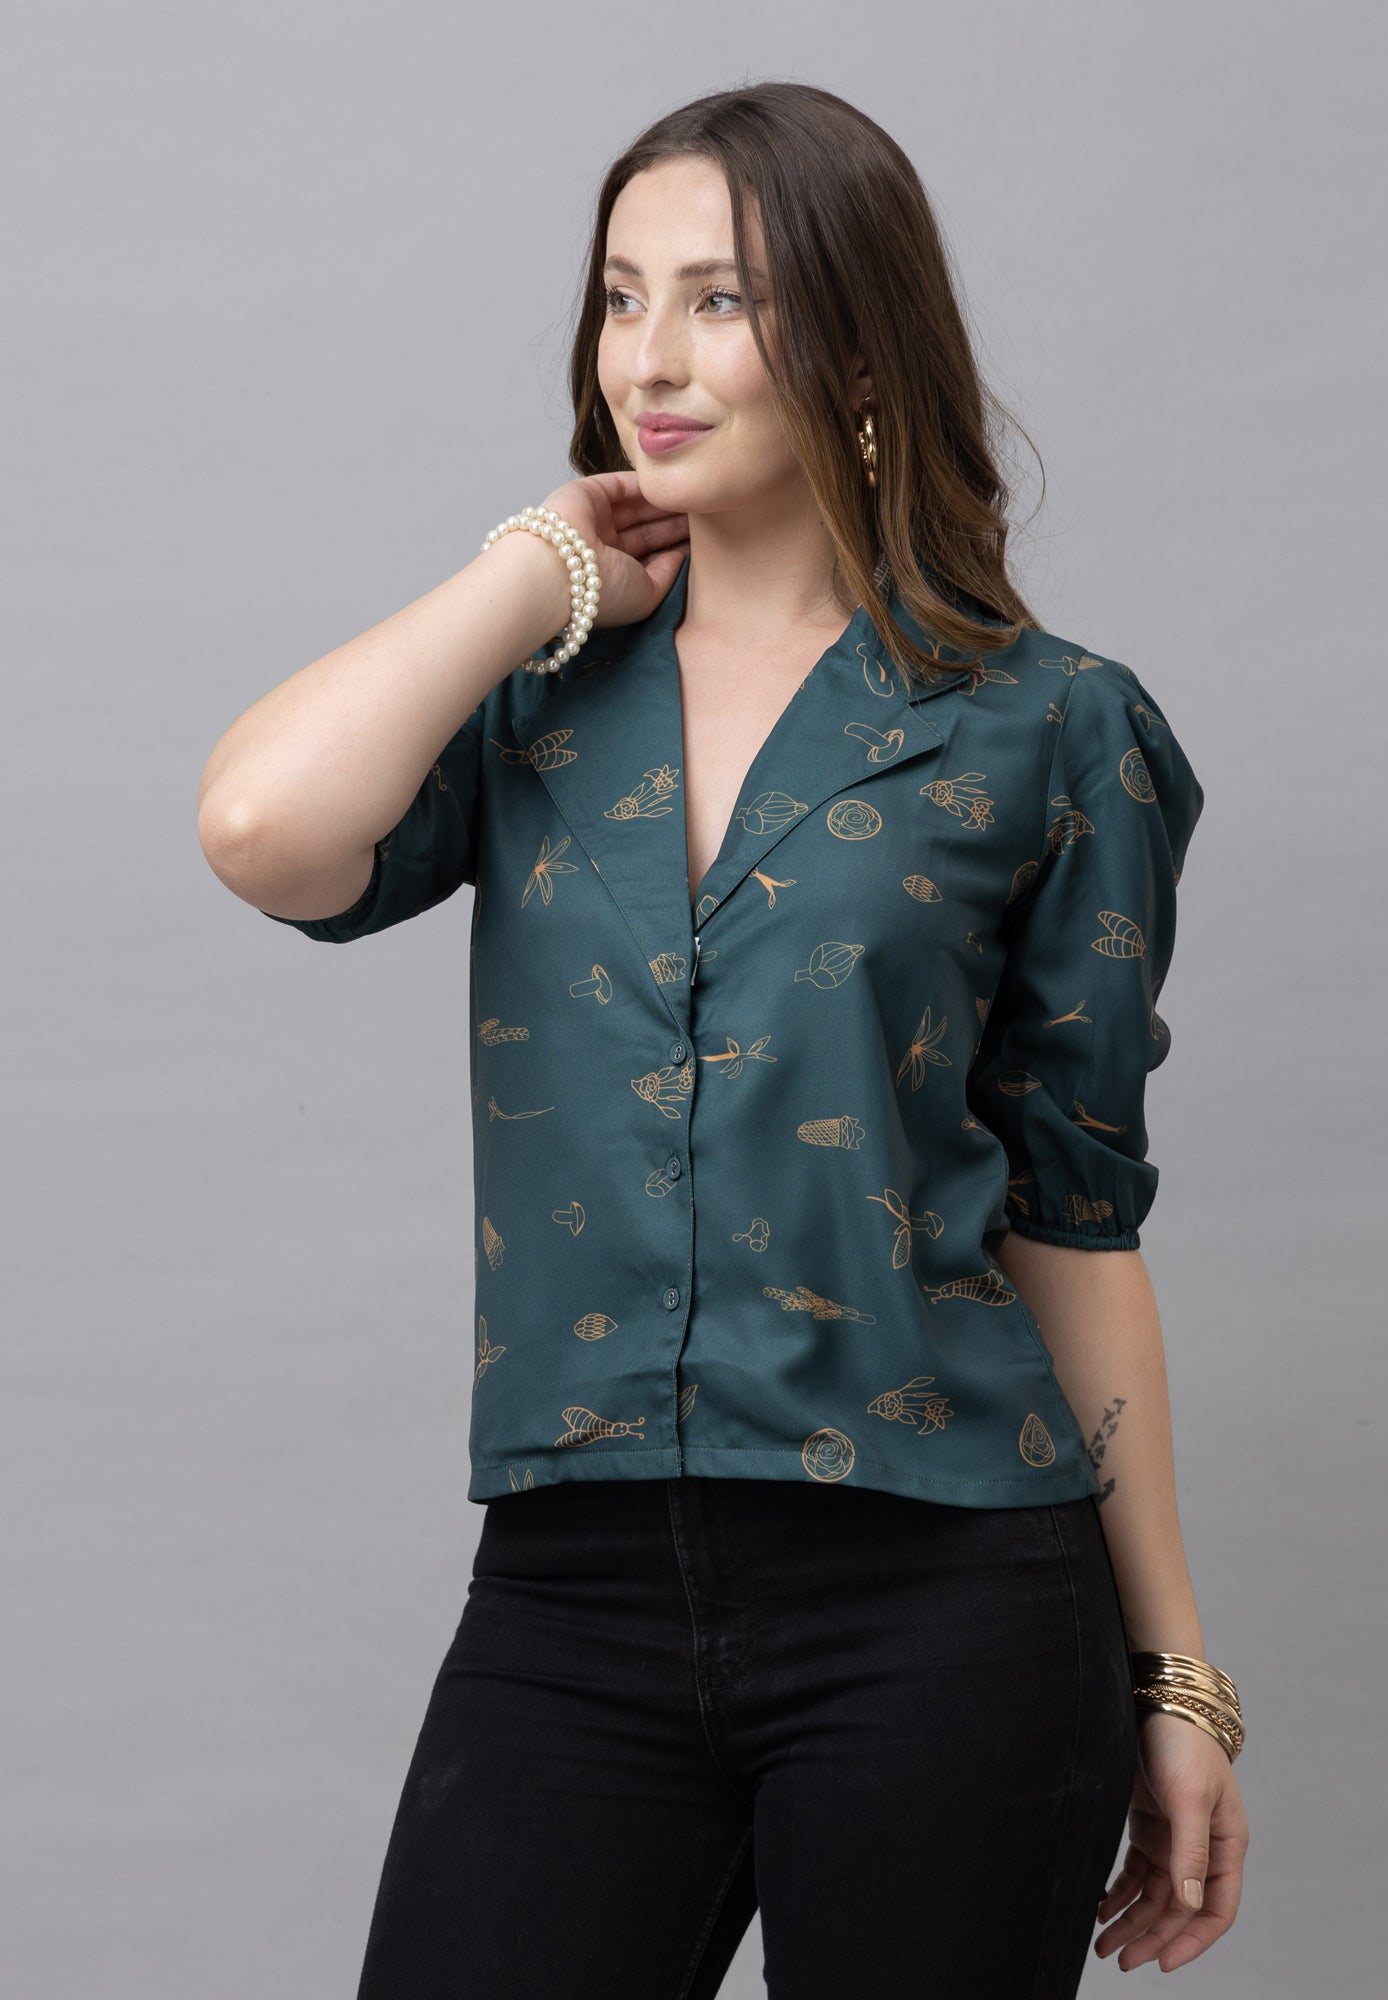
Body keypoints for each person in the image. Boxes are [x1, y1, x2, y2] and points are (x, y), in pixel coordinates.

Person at [197, 80, 1248, 2000]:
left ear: (860, 345)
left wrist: (1175, 1672)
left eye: (721, 299)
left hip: (949, 1591)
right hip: (573, 1589)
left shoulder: (1051, 727)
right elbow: (263, 830)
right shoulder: (529, 698)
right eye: (620, 297)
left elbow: (1076, 1222)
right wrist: (532, 570)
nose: (649, 359)